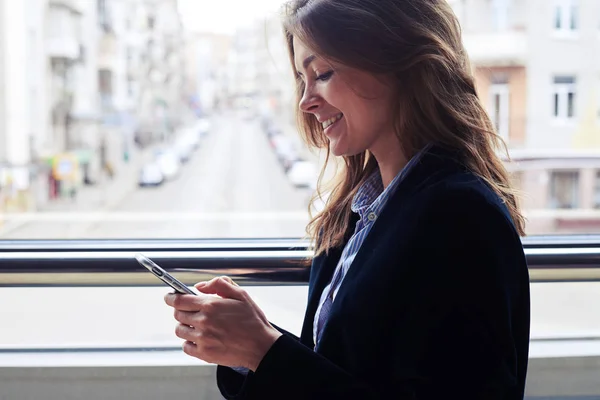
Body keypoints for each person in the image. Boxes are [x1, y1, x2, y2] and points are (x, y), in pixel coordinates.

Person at [163, 0, 531, 398]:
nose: (306, 101)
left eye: (322, 73)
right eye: (303, 81)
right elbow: (345, 367)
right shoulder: (360, 212)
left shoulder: (461, 217)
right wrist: (251, 342)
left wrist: (265, 352)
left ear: (397, 60)